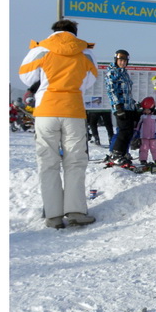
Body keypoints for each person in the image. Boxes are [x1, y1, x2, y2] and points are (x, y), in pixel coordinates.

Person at [19, 19, 98, 228]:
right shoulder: (86, 51)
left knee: (48, 162)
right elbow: (89, 81)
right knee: (75, 162)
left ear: (54, 31)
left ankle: (53, 215)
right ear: (74, 32)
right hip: (73, 110)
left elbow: (26, 77)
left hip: (46, 110)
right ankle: (76, 211)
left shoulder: (42, 48)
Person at [104, 49, 139, 167]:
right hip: (121, 107)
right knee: (123, 131)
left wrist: (134, 106)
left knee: (129, 131)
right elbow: (112, 90)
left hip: (129, 106)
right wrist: (118, 106)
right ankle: (116, 154)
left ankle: (123, 154)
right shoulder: (112, 72)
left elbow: (127, 92)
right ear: (116, 60)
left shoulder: (124, 73)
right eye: (120, 60)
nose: (122, 63)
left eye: (125, 61)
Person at [134, 96, 156, 165]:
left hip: (154, 135)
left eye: (147, 109)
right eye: (144, 109)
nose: (145, 111)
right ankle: (143, 160)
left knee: (154, 148)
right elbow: (138, 123)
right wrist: (136, 131)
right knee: (144, 148)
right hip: (144, 135)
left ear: (152, 108)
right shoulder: (142, 115)